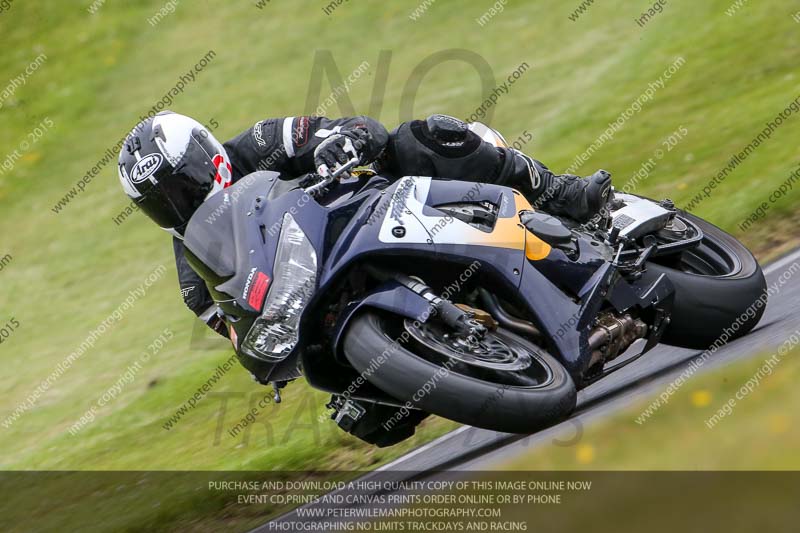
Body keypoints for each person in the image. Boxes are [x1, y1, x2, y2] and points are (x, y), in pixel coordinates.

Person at [117, 110, 612, 446]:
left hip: (376, 208)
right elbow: (240, 326)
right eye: (161, 200)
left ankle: (559, 192)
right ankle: (461, 362)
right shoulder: (193, 272)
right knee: (369, 421)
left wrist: (342, 142)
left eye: (184, 184)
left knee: (424, 135)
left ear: (210, 156)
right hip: (328, 293)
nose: (180, 202)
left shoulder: (261, 143)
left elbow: (358, 127)